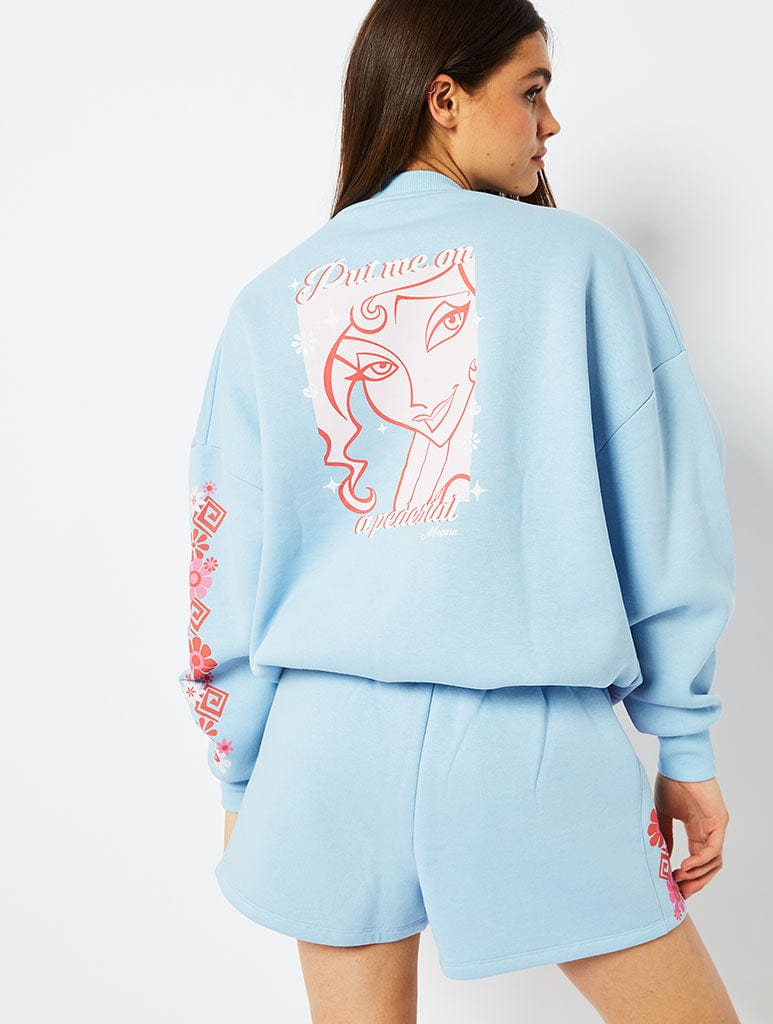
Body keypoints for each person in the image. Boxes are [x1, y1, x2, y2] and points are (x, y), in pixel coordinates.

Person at [178, 1, 740, 1021]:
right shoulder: (579, 263)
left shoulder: (270, 299)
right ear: (445, 98)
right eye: (531, 90)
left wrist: (241, 774)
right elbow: (667, 526)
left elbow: (223, 558)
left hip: (320, 757)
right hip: (529, 745)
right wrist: (684, 746)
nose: (549, 123)